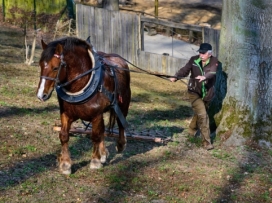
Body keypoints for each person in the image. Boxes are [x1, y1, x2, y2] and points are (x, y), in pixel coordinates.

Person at [170, 43, 218, 150]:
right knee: (203, 115)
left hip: (207, 94)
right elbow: (185, 70)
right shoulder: (193, 59)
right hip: (194, 92)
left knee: (199, 114)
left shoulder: (214, 61)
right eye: (200, 52)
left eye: (203, 53)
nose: (201, 55)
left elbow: (212, 73)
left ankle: (191, 131)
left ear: (209, 54)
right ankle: (207, 142)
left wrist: (204, 77)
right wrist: (176, 76)